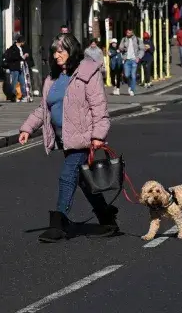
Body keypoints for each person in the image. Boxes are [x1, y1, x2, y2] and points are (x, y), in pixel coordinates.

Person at [18, 38, 117, 242]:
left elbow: (99, 107)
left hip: (83, 138)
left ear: (72, 50)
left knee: (67, 174)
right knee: (82, 179)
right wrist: (27, 128)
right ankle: (106, 216)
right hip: (66, 139)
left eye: (61, 51)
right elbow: (44, 109)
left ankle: (59, 221)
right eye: (54, 52)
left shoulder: (87, 72)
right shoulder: (53, 78)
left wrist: (98, 135)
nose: (56, 55)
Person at [116, 29, 140, 97]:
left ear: (132, 33)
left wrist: (139, 57)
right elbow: (120, 47)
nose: (128, 34)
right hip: (127, 60)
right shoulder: (124, 39)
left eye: (130, 33)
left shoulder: (137, 39)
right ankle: (130, 85)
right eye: (127, 33)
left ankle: (132, 90)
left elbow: (142, 49)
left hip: (134, 60)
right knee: (126, 75)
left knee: (133, 75)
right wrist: (123, 49)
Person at [4, 35, 28, 102]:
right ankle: (13, 97)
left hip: (20, 67)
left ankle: (24, 96)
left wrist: (23, 57)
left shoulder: (20, 48)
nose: (24, 43)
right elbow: (15, 57)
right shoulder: (13, 48)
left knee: (22, 82)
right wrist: (23, 57)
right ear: (21, 41)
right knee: (14, 83)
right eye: (23, 41)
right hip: (14, 68)